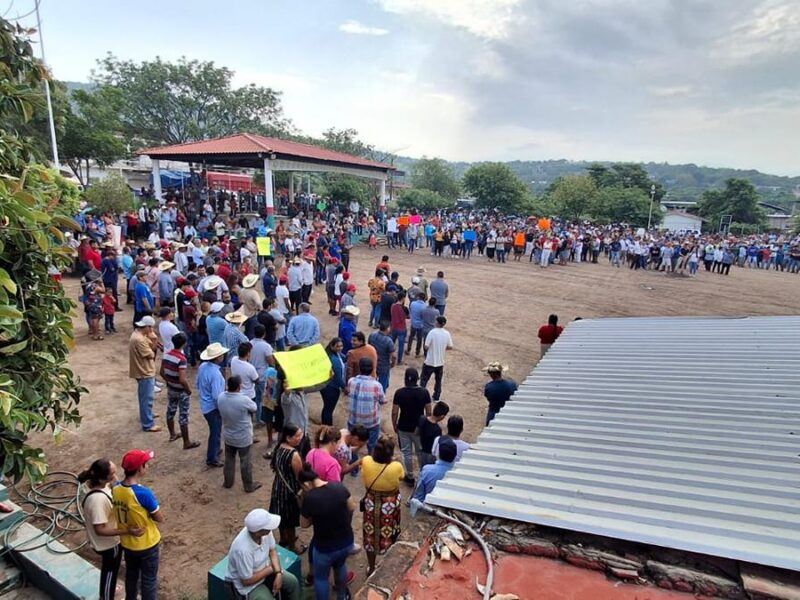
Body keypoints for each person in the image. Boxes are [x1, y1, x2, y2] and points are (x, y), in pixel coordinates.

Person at [79, 458, 143, 600]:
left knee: (110, 569)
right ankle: (106, 595)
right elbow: (100, 529)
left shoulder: (89, 484)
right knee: (110, 571)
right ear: (103, 478)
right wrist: (127, 531)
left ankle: (110, 588)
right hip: (108, 543)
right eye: (113, 473)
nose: (116, 475)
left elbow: (113, 486)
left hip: (99, 540)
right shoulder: (98, 500)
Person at [299, 462, 356, 600]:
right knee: (341, 565)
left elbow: (304, 524)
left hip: (325, 547)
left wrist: (303, 502)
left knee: (321, 579)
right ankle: (342, 596)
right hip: (346, 541)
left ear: (306, 484)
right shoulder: (338, 487)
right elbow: (352, 507)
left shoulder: (310, 498)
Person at [112, 449, 163, 600]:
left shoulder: (116, 489)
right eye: (146, 464)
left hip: (128, 544)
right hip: (147, 543)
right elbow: (159, 517)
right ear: (140, 468)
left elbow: (115, 481)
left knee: (131, 576)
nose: (147, 466)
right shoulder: (143, 493)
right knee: (149, 580)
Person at [226, 508, 301, 600]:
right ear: (258, 532)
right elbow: (246, 581)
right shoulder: (243, 550)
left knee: (293, 582)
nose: (271, 528)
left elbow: (272, 550)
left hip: (266, 569)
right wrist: (270, 569)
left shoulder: (265, 533)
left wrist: (278, 574)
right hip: (250, 586)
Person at [361, 435, 405, 574]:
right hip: (390, 505)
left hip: (371, 503)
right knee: (391, 532)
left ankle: (371, 567)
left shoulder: (366, 461)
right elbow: (402, 477)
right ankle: (387, 567)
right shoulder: (396, 466)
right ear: (390, 454)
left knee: (370, 534)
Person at [218, 375, 262, 493]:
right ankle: (248, 485)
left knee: (229, 460)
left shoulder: (221, 397)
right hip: (243, 437)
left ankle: (228, 482)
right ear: (238, 387)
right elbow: (255, 408)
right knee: (245, 462)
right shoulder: (243, 400)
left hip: (228, 435)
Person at [391, 367, 432, 486]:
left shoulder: (399, 393)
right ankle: (422, 475)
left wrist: (394, 424)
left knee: (407, 453)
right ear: (417, 379)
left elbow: (395, 411)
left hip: (403, 426)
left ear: (405, 379)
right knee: (420, 452)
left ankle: (409, 476)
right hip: (419, 427)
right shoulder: (424, 392)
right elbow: (428, 412)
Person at [269, 424, 306, 554]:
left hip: (278, 487)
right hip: (289, 491)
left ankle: (283, 539)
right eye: (297, 435)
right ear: (288, 438)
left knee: (280, 516)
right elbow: (299, 476)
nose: (300, 437)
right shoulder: (293, 454)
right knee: (289, 520)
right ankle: (293, 546)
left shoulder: (279, 447)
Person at [160, 332, 200, 449]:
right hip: (181, 390)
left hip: (171, 388)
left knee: (170, 411)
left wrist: (169, 381)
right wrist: (188, 390)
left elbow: (161, 372)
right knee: (183, 416)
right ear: (184, 344)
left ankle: (172, 434)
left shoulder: (167, 354)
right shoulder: (181, 359)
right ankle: (186, 442)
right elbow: (182, 379)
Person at [197, 342, 228, 468]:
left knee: (215, 430)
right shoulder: (215, 374)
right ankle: (212, 458)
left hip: (205, 404)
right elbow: (217, 396)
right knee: (215, 431)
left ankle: (216, 450)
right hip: (212, 407)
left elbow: (197, 383)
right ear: (218, 357)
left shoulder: (203, 366)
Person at [129, 316, 161, 433]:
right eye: (150, 327)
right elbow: (151, 354)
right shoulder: (140, 339)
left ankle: (148, 414)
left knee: (145, 396)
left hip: (141, 370)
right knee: (146, 397)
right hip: (144, 371)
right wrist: (155, 339)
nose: (151, 330)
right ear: (147, 327)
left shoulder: (138, 334)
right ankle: (148, 423)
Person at [347, 358, 386, 453]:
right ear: (372, 369)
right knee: (372, 445)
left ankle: (353, 464)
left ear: (360, 368)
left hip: (354, 421)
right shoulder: (377, 385)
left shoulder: (351, 381)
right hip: (371, 422)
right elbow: (382, 400)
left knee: (351, 445)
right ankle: (371, 461)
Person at [412, 438, 457, 503]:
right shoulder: (459, 474)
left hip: (428, 508)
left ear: (438, 453)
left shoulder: (427, 470)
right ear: (455, 456)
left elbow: (418, 497)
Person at [420, 316, 453, 402]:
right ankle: (436, 396)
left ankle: (421, 395)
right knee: (438, 381)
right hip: (440, 362)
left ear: (437, 323)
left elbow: (426, 346)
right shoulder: (447, 333)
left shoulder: (432, 332)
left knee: (424, 380)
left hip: (430, 361)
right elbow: (450, 346)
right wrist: (442, 347)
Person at [321, 337, 347, 426]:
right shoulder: (334, 360)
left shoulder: (332, 354)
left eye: (341, 346)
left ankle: (324, 426)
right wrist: (344, 387)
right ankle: (328, 428)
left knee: (326, 408)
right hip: (332, 388)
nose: (340, 348)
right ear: (332, 347)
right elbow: (338, 377)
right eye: (338, 346)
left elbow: (344, 357)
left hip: (325, 386)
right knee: (329, 410)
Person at [417, 401, 450, 467]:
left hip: (421, 450)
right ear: (442, 416)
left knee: (422, 468)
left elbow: (416, 432)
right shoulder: (437, 430)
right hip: (430, 454)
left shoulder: (422, 419)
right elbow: (437, 445)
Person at [368, 322, 396, 392]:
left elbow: (368, 347)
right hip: (384, 365)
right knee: (383, 384)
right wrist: (393, 364)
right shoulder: (388, 341)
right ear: (387, 329)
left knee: (372, 381)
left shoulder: (372, 335)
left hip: (373, 363)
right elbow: (394, 356)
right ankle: (381, 397)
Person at [390, 291, 408, 365]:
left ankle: (389, 357)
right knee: (401, 345)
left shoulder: (393, 306)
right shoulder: (404, 308)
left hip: (393, 327)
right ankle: (399, 360)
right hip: (401, 328)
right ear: (403, 298)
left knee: (391, 343)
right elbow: (408, 316)